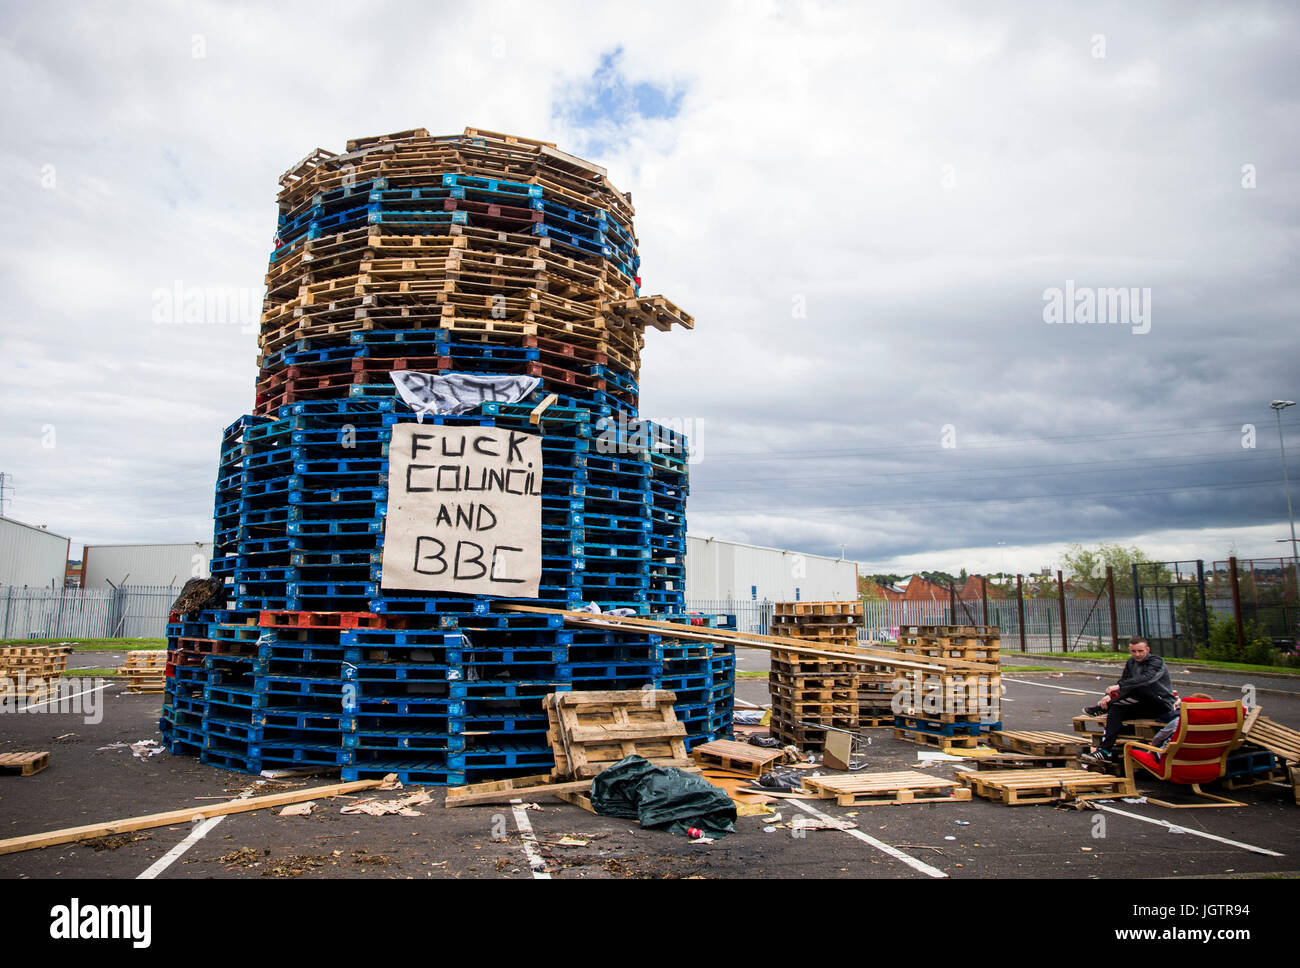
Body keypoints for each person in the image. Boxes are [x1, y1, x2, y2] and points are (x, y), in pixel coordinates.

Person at [1080, 636, 1177, 765]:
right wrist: (1111, 695)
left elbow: (1145, 679)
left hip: (1161, 704)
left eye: (1140, 651)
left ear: (1147, 649)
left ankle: (1104, 707)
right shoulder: (1131, 663)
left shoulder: (1156, 662)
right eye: (1133, 651)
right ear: (1130, 651)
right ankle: (1104, 751)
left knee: (1141, 688)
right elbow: (1125, 682)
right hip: (1142, 704)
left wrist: (1118, 688)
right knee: (1117, 709)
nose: (1137, 654)